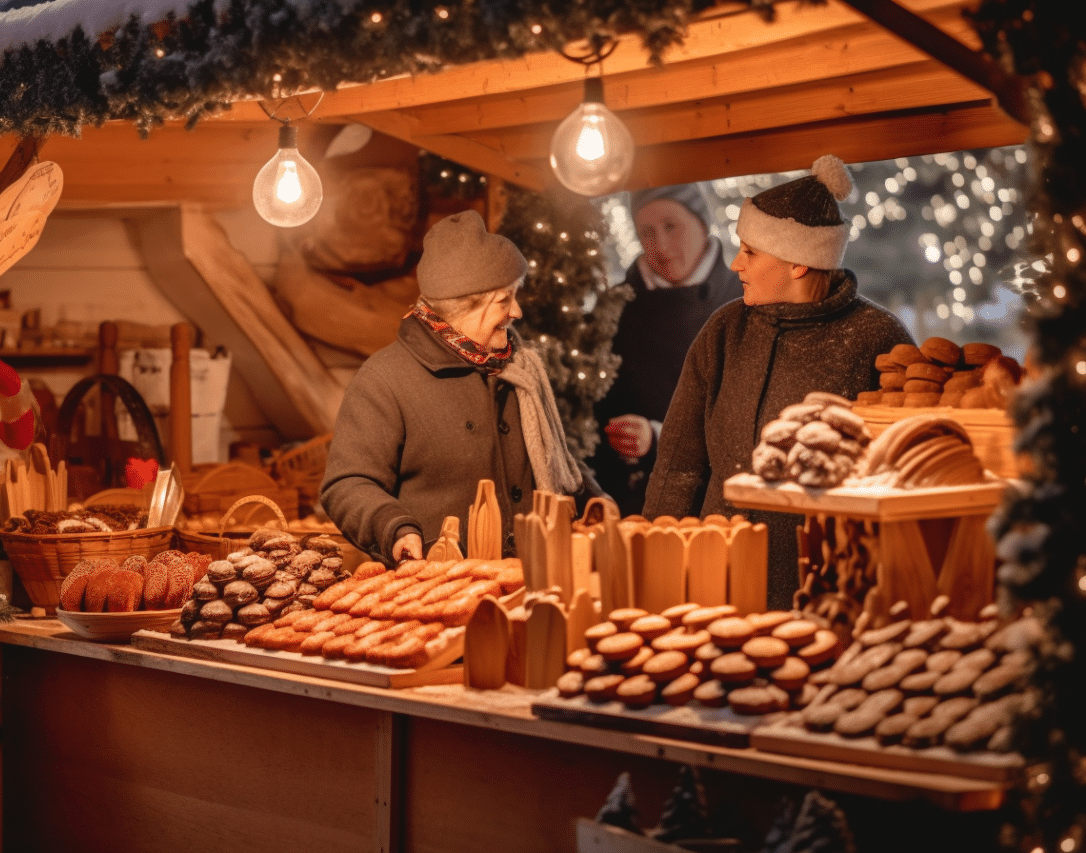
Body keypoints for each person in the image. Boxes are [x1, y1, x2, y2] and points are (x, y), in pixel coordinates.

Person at [643, 156, 914, 609]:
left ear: (798, 264)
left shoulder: (878, 339)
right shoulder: (725, 331)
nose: (735, 264)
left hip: (825, 590)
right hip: (716, 582)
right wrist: (654, 565)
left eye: (750, 251)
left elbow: (901, 482)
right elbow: (680, 463)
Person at [321, 210, 601, 564]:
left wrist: (595, 503)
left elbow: (555, 457)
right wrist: (393, 527)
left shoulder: (521, 369)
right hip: (438, 586)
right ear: (463, 305)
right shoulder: (385, 380)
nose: (517, 311)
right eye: (504, 300)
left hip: (536, 576)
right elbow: (347, 483)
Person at [591, 184, 741, 516]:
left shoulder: (741, 301)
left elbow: (742, 416)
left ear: (701, 224)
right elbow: (586, 408)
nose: (661, 245)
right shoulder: (614, 306)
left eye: (671, 226)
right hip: (629, 504)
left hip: (719, 506)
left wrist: (659, 439)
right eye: (647, 232)